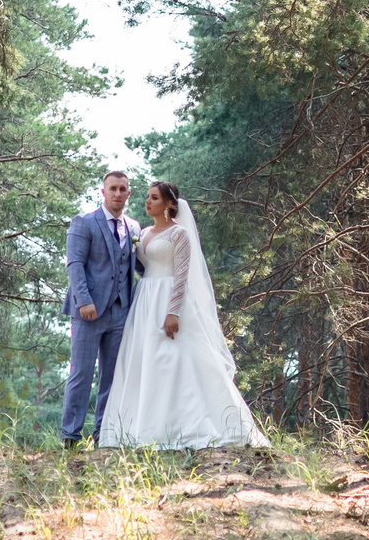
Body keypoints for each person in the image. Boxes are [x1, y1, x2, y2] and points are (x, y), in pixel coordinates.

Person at [97, 181, 271, 450]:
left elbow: (181, 277)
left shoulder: (179, 234)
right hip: (144, 301)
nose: (148, 201)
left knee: (174, 360)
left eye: (154, 198)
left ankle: (187, 426)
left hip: (168, 299)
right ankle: (139, 428)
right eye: (147, 197)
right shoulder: (141, 233)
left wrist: (173, 311)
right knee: (144, 361)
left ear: (169, 205)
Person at [62, 169, 141, 446]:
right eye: (113, 189)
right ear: (103, 191)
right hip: (89, 312)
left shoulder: (133, 227)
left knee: (112, 377)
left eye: (123, 189)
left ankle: (103, 436)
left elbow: (140, 265)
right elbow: (75, 264)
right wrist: (83, 301)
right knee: (81, 374)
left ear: (128, 193)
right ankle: (70, 437)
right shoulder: (84, 222)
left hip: (121, 312)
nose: (118, 193)